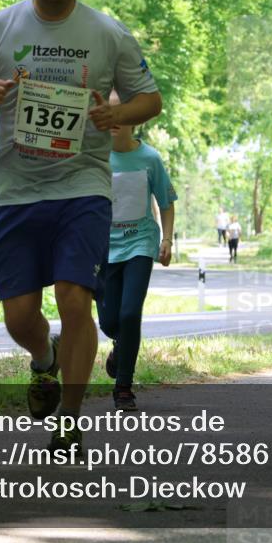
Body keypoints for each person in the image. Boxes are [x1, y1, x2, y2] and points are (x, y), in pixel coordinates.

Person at [0, 0, 161, 453]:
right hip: (15, 191)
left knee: (74, 297)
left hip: (83, 186)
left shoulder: (107, 34)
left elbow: (149, 100)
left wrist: (115, 112)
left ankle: (69, 418)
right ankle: (44, 359)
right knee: (19, 315)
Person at [100, 91, 176, 412]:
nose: (115, 119)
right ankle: (120, 344)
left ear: (134, 119)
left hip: (140, 244)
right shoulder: (95, 157)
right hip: (103, 248)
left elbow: (167, 202)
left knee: (130, 314)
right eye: (109, 112)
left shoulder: (150, 159)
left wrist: (167, 240)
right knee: (109, 321)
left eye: (122, 113)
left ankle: (124, 388)